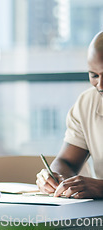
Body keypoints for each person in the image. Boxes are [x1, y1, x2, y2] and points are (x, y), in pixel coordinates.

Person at [36, 31, 103, 199]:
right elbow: (66, 162)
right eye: (94, 75)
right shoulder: (87, 102)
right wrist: (57, 178)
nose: (100, 85)